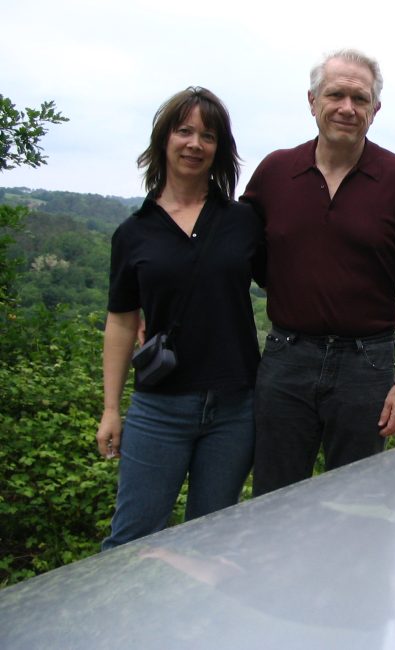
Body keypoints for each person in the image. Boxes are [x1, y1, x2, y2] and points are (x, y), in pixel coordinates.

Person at [241, 48, 395, 496]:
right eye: (335, 95)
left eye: (360, 98)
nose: (347, 108)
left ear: (375, 109)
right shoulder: (276, 172)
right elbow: (235, 252)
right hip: (287, 358)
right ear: (312, 101)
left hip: (365, 366)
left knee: (355, 502)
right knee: (274, 498)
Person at [96, 87, 266, 549]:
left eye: (207, 136)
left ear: (219, 149)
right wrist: (111, 409)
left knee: (208, 543)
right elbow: (121, 322)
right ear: (164, 140)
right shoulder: (133, 233)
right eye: (184, 131)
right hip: (160, 407)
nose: (195, 144)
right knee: (130, 541)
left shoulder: (242, 221)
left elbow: (288, 284)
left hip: (235, 407)